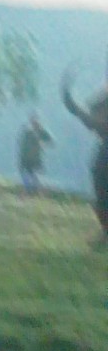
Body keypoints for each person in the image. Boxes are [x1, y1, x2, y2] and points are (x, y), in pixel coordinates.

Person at [62, 59, 108, 243]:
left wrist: (75, 107)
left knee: (100, 183)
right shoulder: (103, 97)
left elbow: (95, 121)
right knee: (100, 185)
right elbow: (94, 120)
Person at [17, 112, 52, 195]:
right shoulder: (27, 131)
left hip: (35, 157)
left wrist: (43, 143)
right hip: (25, 157)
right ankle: (29, 189)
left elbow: (51, 141)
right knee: (25, 173)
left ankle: (35, 189)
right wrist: (21, 155)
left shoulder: (42, 131)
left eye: (36, 121)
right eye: (32, 121)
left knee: (34, 173)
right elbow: (23, 144)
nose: (34, 123)